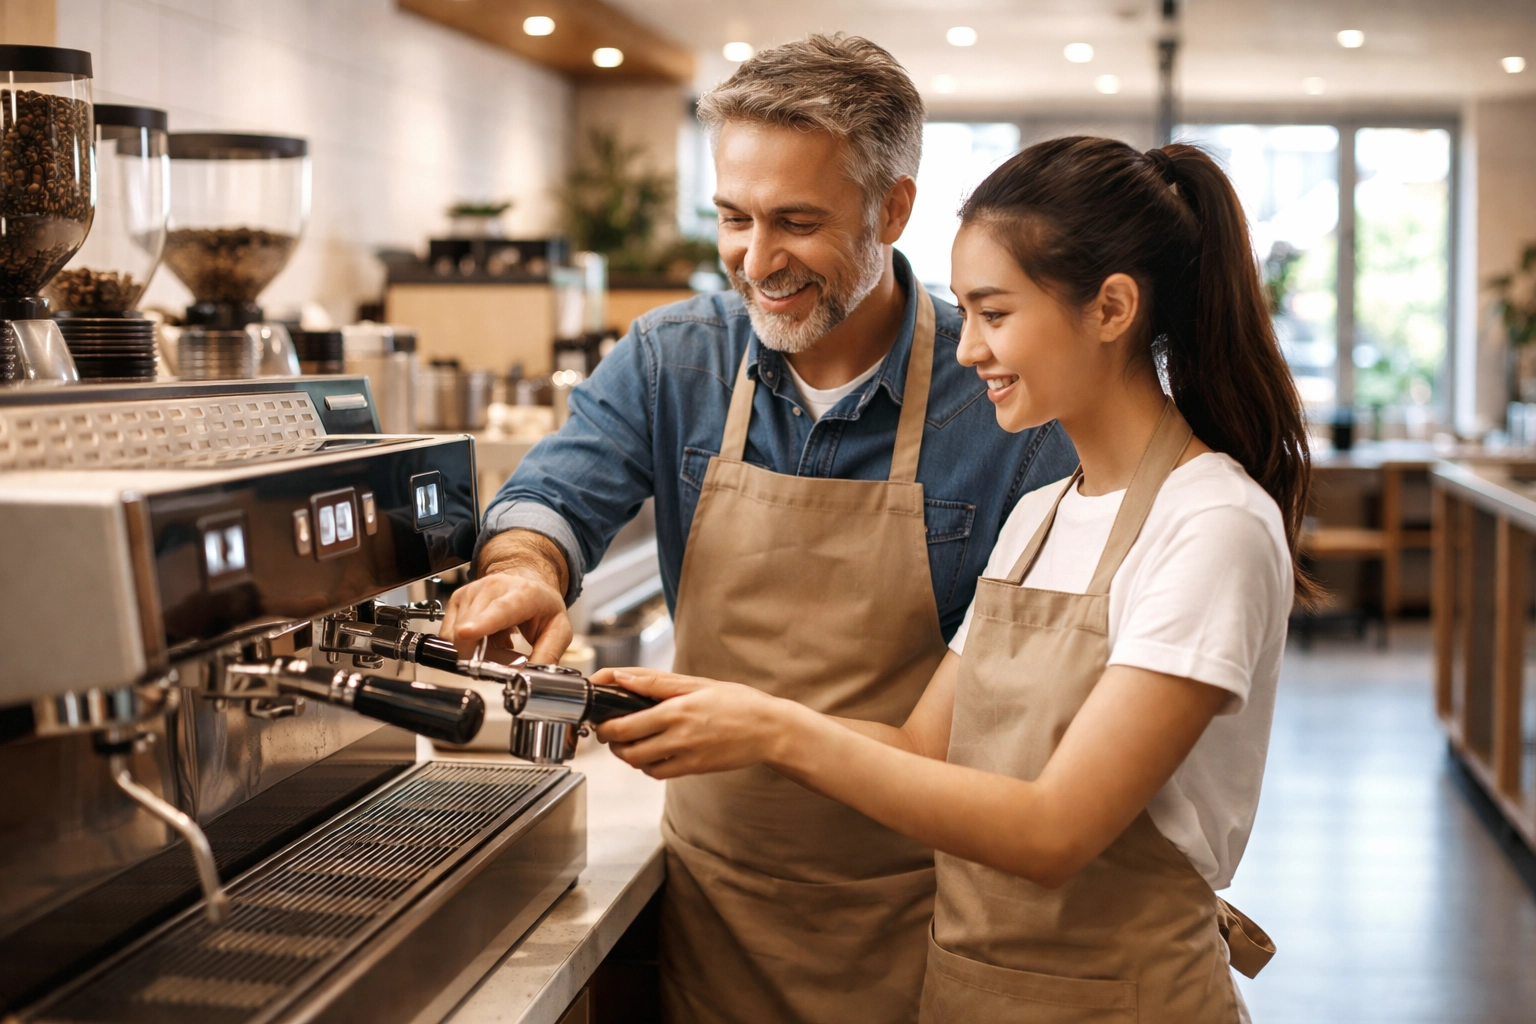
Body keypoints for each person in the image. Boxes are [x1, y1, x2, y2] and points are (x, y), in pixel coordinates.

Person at [590, 135, 1314, 1024]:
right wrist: (721, 719)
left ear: (1112, 308)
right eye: (964, 314)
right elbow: (918, 751)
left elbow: (1054, 832)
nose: (968, 350)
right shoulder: (1042, 513)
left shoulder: (1210, 524)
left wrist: (777, 732)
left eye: (994, 314)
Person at [440, 35, 1078, 1024]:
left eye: (796, 221)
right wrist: (526, 567)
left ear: (893, 207)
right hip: (720, 899)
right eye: (733, 218)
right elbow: (556, 495)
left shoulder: (999, 394)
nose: (756, 259)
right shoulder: (673, 359)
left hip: (930, 907)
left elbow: (1012, 710)